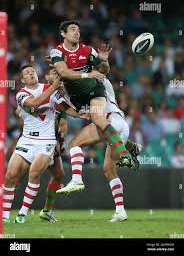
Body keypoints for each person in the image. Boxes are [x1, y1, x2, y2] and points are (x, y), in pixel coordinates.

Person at [49, 20, 133, 192]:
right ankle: (130, 147)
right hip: (80, 100)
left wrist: (104, 62)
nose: (76, 32)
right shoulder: (57, 51)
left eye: (78, 30)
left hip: (96, 92)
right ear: (63, 34)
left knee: (97, 118)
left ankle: (124, 153)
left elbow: (103, 71)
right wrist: (88, 74)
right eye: (72, 29)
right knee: (85, 138)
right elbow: (64, 72)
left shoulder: (88, 50)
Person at [3, 65, 86, 223]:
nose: (31, 73)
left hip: (46, 140)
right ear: (22, 80)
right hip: (26, 139)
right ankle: (5, 216)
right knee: (9, 176)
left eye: (33, 71)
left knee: (34, 173)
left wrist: (79, 113)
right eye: (27, 73)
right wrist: (54, 87)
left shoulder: (50, 88)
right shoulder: (22, 94)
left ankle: (22, 213)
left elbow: (65, 108)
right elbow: (34, 104)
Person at [57, 77, 142, 222]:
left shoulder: (95, 80)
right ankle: (120, 211)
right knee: (109, 171)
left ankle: (77, 179)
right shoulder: (91, 84)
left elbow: (100, 69)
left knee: (75, 144)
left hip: (108, 120)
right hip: (121, 123)